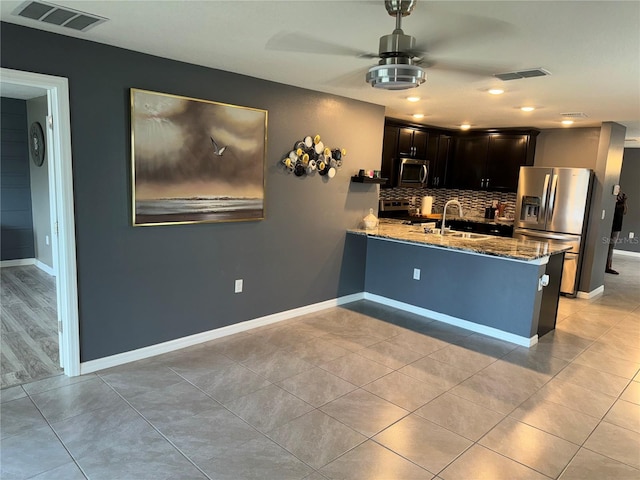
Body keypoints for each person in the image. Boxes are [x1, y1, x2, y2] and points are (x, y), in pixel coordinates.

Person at [606, 191, 628, 274]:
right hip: (609, 227)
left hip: (617, 228)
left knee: (611, 247)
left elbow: (625, 211)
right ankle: (606, 266)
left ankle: (608, 266)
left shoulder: (621, 203)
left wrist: (624, 201)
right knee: (607, 246)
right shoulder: (610, 201)